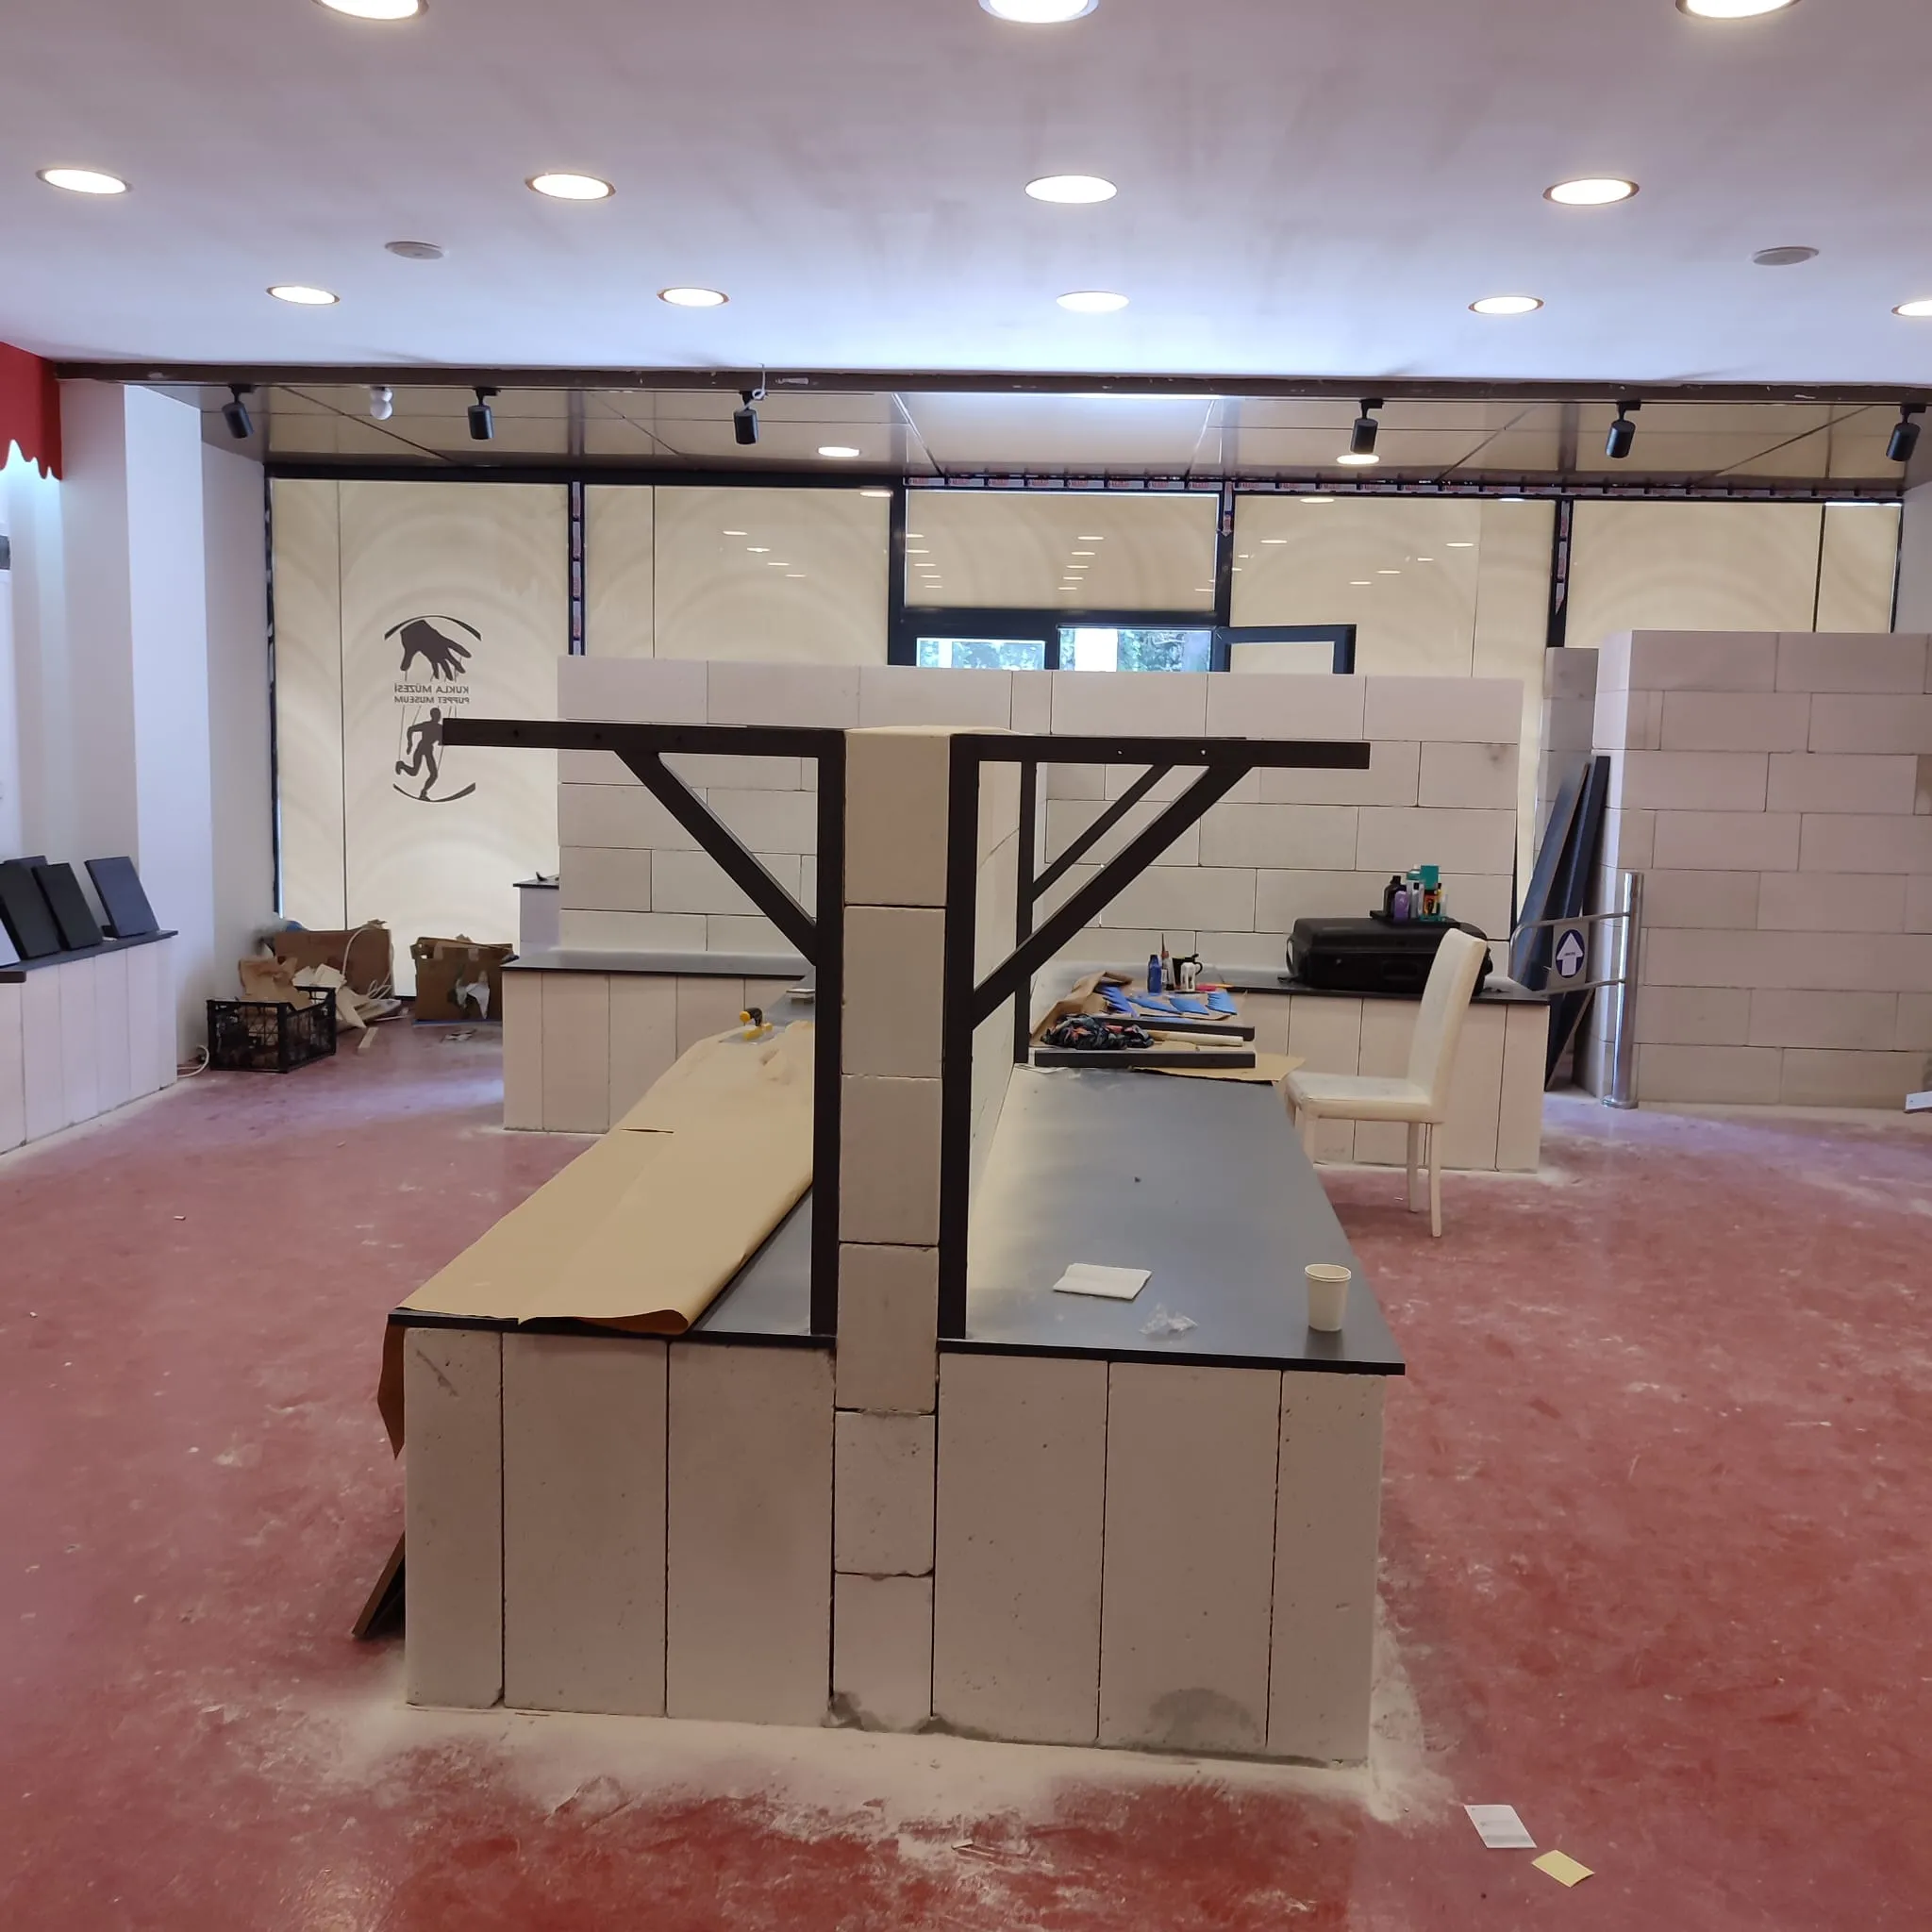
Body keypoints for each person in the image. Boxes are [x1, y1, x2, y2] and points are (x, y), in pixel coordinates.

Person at [395, 707, 443, 800]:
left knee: (432, 774)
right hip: (422, 748)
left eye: (439, 715)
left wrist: (441, 741)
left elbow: (440, 740)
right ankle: (401, 765)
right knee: (419, 773)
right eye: (437, 715)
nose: (438, 717)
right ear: (433, 716)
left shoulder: (438, 728)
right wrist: (410, 744)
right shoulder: (430, 726)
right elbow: (410, 729)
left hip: (426, 749)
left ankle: (423, 793)